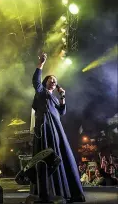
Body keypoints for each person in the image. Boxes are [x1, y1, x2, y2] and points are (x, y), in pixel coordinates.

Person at [30, 53, 85, 203]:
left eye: (55, 81)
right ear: (46, 82)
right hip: (46, 128)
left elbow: (62, 112)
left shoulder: (54, 97)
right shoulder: (41, 92)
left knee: (61, 155)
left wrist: (63, 97)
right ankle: (46, 192)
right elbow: (35, 81)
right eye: (51, 80)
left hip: (56, 129)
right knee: (47, 156)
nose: (53, 82)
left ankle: (64, 190)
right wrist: (41, 64)